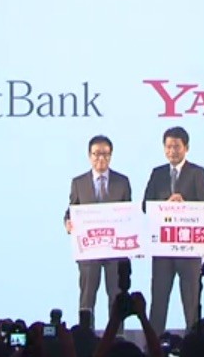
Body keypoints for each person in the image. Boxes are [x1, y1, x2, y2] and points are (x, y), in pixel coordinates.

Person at [142, 126, 204, 335]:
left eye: (177, 147)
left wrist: (184, 203)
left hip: (188, 249)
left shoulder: (197, 172)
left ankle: (195, 343)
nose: (172, 151)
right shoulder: (158, 173)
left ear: (186, 148)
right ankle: (153, 343)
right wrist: (166, 203)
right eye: (168, 147)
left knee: (191, 302)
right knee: (158, 300)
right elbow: (145, 205)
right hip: (163, 248)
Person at [64, 135, 133, 320]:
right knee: (87, 299)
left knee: (117, 298)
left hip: (116, 252)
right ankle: (85, 334)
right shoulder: (78, 182)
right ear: (89, 156)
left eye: (105, 154)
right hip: (89, 252)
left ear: (111, 155)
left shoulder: (122, 181)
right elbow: (71, 210)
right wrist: (68, 223)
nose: (100, 158)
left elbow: (129, 213)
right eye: (96, 154)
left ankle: (117, 334)